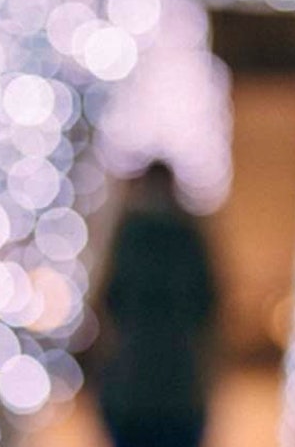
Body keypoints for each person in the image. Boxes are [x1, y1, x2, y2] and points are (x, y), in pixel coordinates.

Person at [90, 161, 218, 447]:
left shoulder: (129, 235)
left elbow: (109, 299)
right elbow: (208, 301)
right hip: (173, 387)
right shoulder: (185, 235)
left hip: (138, 386)